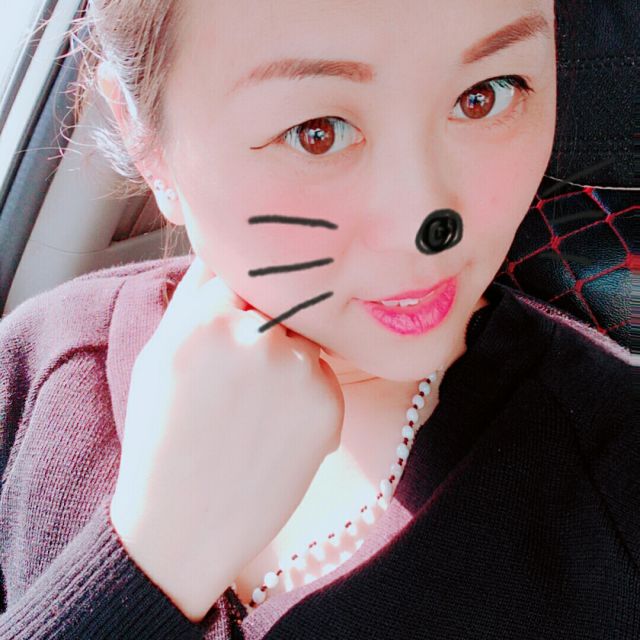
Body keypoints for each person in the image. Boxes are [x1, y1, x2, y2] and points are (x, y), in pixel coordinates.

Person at [0, 1, 635, 638]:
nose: (427, 226)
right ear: (148, 143)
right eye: (318, 132)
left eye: (485, 96)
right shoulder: (31, 376)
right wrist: (151, 559)